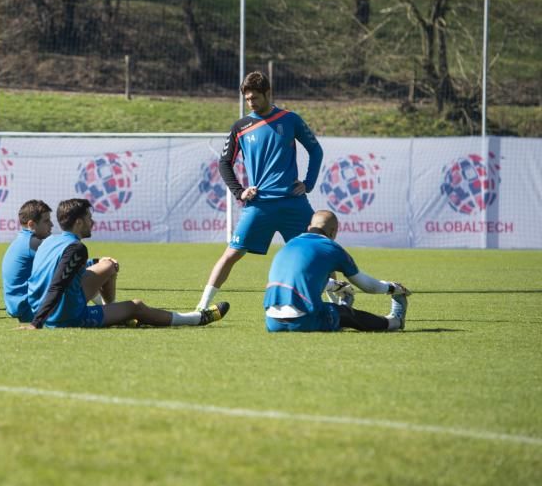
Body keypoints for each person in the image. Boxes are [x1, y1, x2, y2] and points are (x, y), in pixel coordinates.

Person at [196, 71, 323, 312]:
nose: (251, 102)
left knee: (318, 248)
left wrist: (308, 183)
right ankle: (202, 305)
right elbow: (224, 163)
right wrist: (239, 191)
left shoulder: (290, 119)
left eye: (255, 97)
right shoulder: (241, 127)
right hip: (260, 205)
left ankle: (338, 302)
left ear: (268, 93)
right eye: (247, 99)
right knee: (231, 255)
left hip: (292, 203)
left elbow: (316, 151)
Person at [24, 198, 230, 329]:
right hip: (63, 317)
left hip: (44, 307)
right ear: (78, 222)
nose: (92, 222)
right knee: (136, 306)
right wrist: (37, 323)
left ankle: (111, 312)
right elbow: (57, 284)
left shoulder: (49, 241)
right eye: (89, 218)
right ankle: (196, 318)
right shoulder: (76, 249)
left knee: (108, 265)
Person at [263, 210, 411, 332]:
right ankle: (395, 322)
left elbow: (304, 280)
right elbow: (368, 286)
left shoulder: (288, 245)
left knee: (335, 311)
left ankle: (342, 306)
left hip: (271, 321)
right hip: (304, 320)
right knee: (348, 315)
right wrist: (392, 287)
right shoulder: (332, 248)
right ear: (333, 232)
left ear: (309, 228)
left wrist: (336, 286)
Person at [2, 200, 54, 322]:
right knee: (95, 271)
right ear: (31, 224)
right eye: (46, 221)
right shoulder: (34, 242)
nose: (51, 225)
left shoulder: (23, 239)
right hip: (30, 309)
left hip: (21, 308)